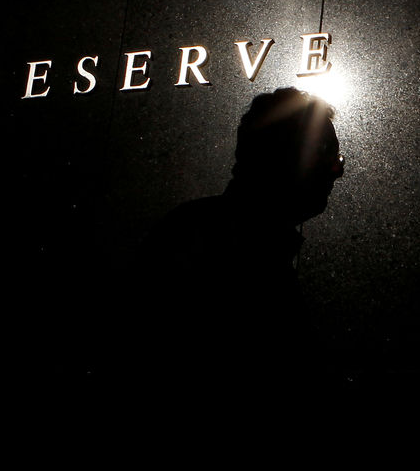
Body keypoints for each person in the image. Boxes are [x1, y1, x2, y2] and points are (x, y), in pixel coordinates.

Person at [130, 87, 344, 404]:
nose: (337, 171)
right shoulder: (215, 245)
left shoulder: (202, 233)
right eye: (325, 153)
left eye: (336, 157)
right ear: (281, 154)